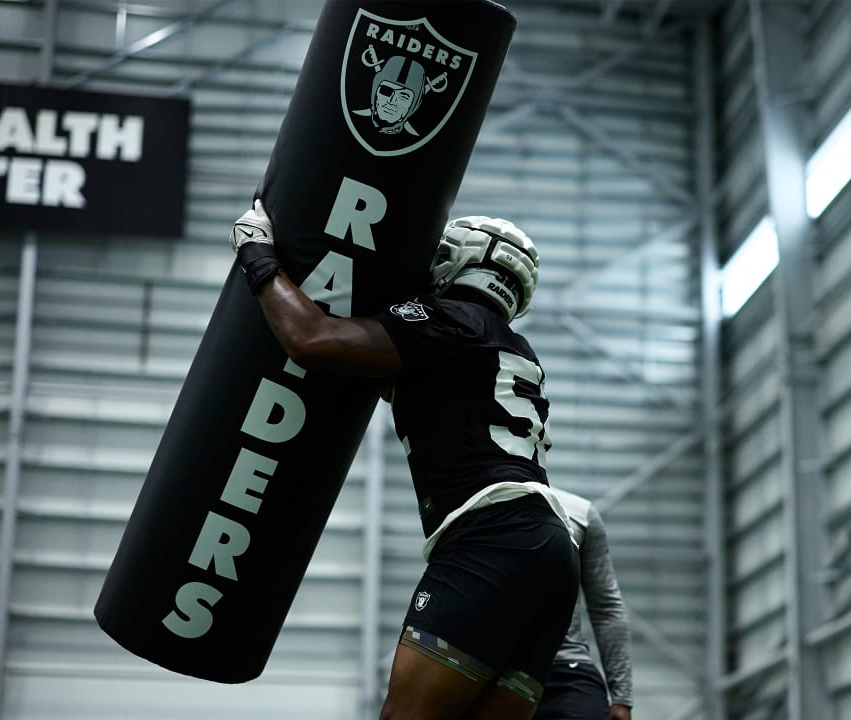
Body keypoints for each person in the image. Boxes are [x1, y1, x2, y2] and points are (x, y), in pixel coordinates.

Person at [230, 201, 580, 720]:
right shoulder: (512, 347)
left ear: (462, 260)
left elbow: (311, 340)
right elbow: (400, 380)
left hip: (490, 535)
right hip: (552, 549)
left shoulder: (449, 320)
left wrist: (258, 255)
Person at [537, 486, 634, 720]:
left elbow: (607, 608)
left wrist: (622, 697)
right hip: (493, 672)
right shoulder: (470, 504)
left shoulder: (579, 512)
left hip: (567, 671)